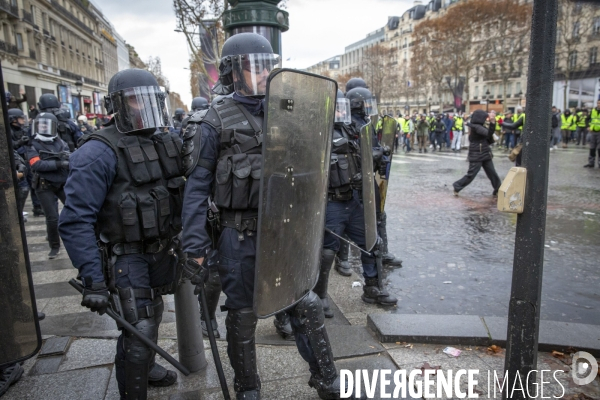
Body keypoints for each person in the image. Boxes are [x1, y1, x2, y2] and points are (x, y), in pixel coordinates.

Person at [181, 33, 362, 400]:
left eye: (268, 65)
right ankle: (248, 388)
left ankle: (328, 381)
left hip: (285, 231)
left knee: (305, 303)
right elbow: (197, 187)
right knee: (243, 316)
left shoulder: (289, 108)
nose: (264, 73)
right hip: (239, 235)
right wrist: (195, 246)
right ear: (233, 71)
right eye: (254, 66)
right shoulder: (213, 121)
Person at [59, 69, 182, 399]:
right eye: (133, 100)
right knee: (138, 327)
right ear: (117, 105)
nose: (143, 107)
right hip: (125, 254)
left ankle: (148, 366)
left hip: (161, 248)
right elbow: (75, 220)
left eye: (151, 100)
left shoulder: (166, 140)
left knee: (152, 313)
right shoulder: (96, 152)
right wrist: (93, 279)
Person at [26, 113, 70, 258]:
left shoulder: (61, 143)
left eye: (46, 124)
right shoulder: (33, 144)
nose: (43, 127)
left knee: (75, 209)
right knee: (52, 217)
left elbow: (69, 157)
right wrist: (58, 163)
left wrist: (68, 160)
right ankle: (54, 246)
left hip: (62, 183)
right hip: (44, 185)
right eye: (41, 124)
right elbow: (36, 164)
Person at [452, 110, 502, 196]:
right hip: (477, 153)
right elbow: (488, 134)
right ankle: (457, 185)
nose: (486, 119)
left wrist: (492, 123)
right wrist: (493, 122)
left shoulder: (477, 126)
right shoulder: (476, 127)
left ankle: (498, 189)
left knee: (492, 173)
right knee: (471, 174)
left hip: (484, 152)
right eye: (485, 117)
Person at [584, 99, 600, 168]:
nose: (599, 104)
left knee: (599, 148)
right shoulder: (593, 111)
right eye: (598, 103)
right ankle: (591, 162)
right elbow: (587, 119)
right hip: (593, 131)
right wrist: (588, 126)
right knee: (592, 147)